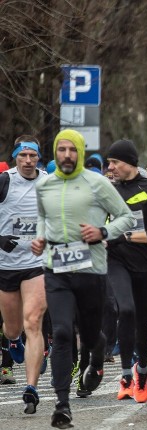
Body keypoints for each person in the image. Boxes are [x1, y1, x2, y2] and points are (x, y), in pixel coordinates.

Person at [32, 129, 135, 428]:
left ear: (79, 152)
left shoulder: (97, 183)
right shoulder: (46, 186)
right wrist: (40, 239)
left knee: (90, 336)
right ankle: (62, 405)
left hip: (91, 271)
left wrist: (103, 232)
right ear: (55, 152)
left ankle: (97, 355)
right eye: (61, 149)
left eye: (72, 150)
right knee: (62, 332)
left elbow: (125, 217)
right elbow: (43, 219)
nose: (66, 155)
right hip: (57, 270)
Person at [104, 139, 147, 404]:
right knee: (126, 310)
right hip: (116, 261)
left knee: (143, 321)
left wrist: (127, 236)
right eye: (109, 162)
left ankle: (141, 372)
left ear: (129, 163)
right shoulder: (108, 191)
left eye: (114, 162)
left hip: (146, 266)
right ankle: (124, 375)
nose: (110, 167)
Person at [0, 135, 48, 414]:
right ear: (16, 157)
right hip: (6, 264)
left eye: (33, 156)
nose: (28, 161)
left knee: (34, 322)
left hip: (36, 263)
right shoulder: (4, 181)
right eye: (23, 156)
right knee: (13, 327)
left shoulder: (48, 182)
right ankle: (13, 340)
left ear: (38, 157)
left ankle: (31, 388)